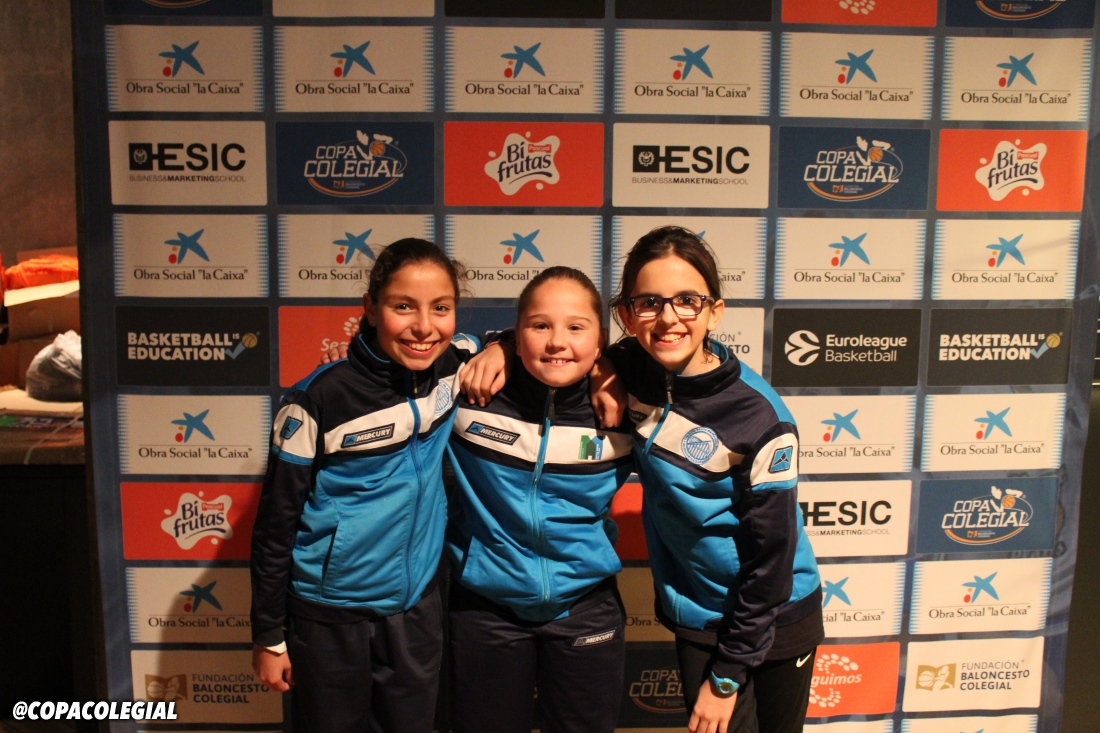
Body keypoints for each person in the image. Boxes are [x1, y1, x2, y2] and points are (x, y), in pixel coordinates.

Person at [249, 238, 479, 733]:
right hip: (329, 618)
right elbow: (275, 526)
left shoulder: (455, 363)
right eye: (403, 307)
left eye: (441, 308)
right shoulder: (317, 399)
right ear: (371, 309)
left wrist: (501, 347)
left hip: (415, 609)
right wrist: (268, 634)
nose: (424, 326)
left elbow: (505, 341)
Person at [604, 226, 823, 733]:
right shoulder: (631, 368)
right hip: (700, 613)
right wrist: (501, 347)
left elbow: (772, 561)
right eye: (649, 303)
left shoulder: (760, 416)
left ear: (714, 312)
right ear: (626, 315)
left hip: (775, 615)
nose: (668, 318)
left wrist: (726, 679)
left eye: (687, 300)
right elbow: (558, 338)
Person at [446, 267, 634, 733]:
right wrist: (499, 345)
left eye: (576, 327)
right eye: (539, 325)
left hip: (585, 606)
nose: (557, 342)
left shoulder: (627, 401)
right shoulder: (470, 384)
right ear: (518, 331)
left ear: (600, 341)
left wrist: (608, 367)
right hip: (486, 609)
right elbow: (412, 347)